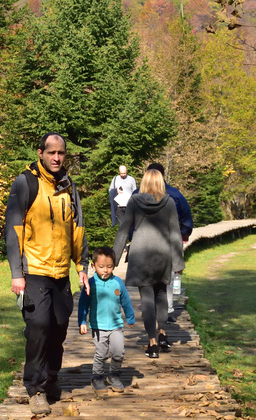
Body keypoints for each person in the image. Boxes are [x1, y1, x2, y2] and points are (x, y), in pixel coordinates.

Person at [4, 133, 89, 416]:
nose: (56, 158)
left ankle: (52, 378)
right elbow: (13, 230)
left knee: (59, 327)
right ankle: (35, 389)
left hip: (61, 272)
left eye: (61, 153)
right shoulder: (25, 183)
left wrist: (81, 266)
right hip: (35, 271)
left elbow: (77, 229)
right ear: (40, 153)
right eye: (51, 152)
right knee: (38, 327)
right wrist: (17, 274)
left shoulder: (68, 186)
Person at [113, 167, 184, 359]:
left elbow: (124, 229)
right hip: (162, 255)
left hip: (140, 255)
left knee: (146, 300)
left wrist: (114, 258)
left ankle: (152, 343)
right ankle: (162, 333)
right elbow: (175, 233)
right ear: (161, 182)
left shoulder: (134, 201)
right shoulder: (168, 202)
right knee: (161, 295)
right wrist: (178, 263)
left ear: (143, 182)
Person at [134, 162, 193, 321]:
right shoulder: (175, 194)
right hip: (169, 241)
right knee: (168, 278)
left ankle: (151, 309)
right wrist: (183, 234)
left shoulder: (136, 194)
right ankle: (166, 310)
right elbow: (186, 218)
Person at [78, 246, 135, 393]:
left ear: (114, 266)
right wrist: (82, 321)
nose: (105, 270)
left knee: (118, 352)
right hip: (99, 326)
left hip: (116, 325)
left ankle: (114, 375)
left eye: (109, 267)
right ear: (93, 266)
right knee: (101, 353)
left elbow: (126, 301)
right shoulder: (90, 284)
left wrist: (130, 317)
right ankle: (97, 377)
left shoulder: (118, 283)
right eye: (101, 267)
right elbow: (83, 304)